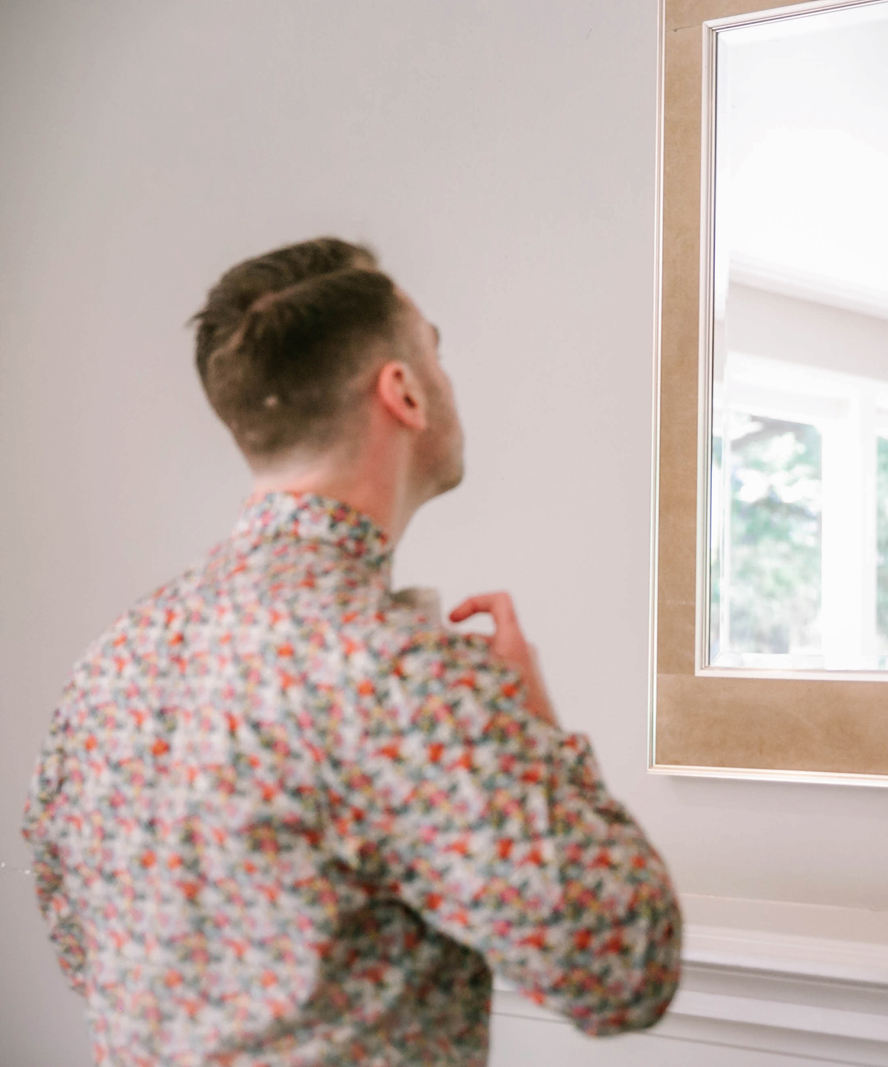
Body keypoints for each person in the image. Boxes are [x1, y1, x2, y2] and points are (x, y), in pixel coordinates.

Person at [20, 238, 680, 1065]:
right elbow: (625, 970)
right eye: (435, 351)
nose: (447, 378)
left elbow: (80, 938)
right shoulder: (402, 674)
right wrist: (538, 731)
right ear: (403, 391)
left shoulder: (112, 659)